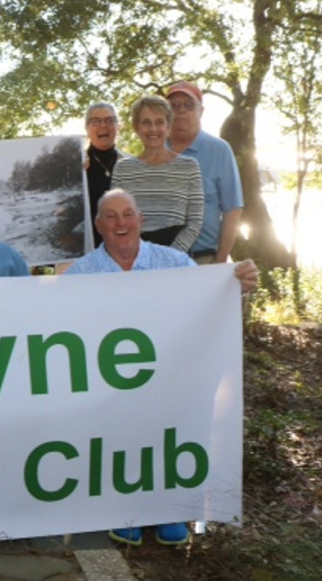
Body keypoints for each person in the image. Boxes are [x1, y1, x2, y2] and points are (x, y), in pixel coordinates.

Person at [64, 189, 257, 546]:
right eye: (110, 216)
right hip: (107, 381)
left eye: (127, 214)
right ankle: (125, 510)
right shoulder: (81, 272)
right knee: (115, 439)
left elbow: (211, 305)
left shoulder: (175, 263)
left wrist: (236, 286)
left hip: (168, 376)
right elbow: (58, 325)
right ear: (98, 225)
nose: (120, 223)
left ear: (141, 220)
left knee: (170, 434)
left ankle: (172, 509)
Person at [111, 95, 203, 253]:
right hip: (135, 261)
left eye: (159, 122)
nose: (153, 129)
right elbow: (115, 220)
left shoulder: (189, 167)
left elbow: (195, 222)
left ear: (168, 127)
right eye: (146, 122)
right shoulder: (122, 169)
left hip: (177, 262)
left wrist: (171, 256)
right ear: (136, 127)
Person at [165, 80, 244, 264]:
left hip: (205, 258)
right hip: (162, 262)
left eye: (189, 105)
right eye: (174, 105)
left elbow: (232, 210)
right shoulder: (155, 150)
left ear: (201, 111)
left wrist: (220, 260)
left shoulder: (219, 150)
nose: (181, 110)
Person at [83, 101, 126, 247]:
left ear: (118, 126)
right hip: (88, 247)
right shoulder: (76, 165)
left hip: (124, 247)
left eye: (110, 120)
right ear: (87, 128)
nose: (103, 126)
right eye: (96, 121)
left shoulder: (131, 164)